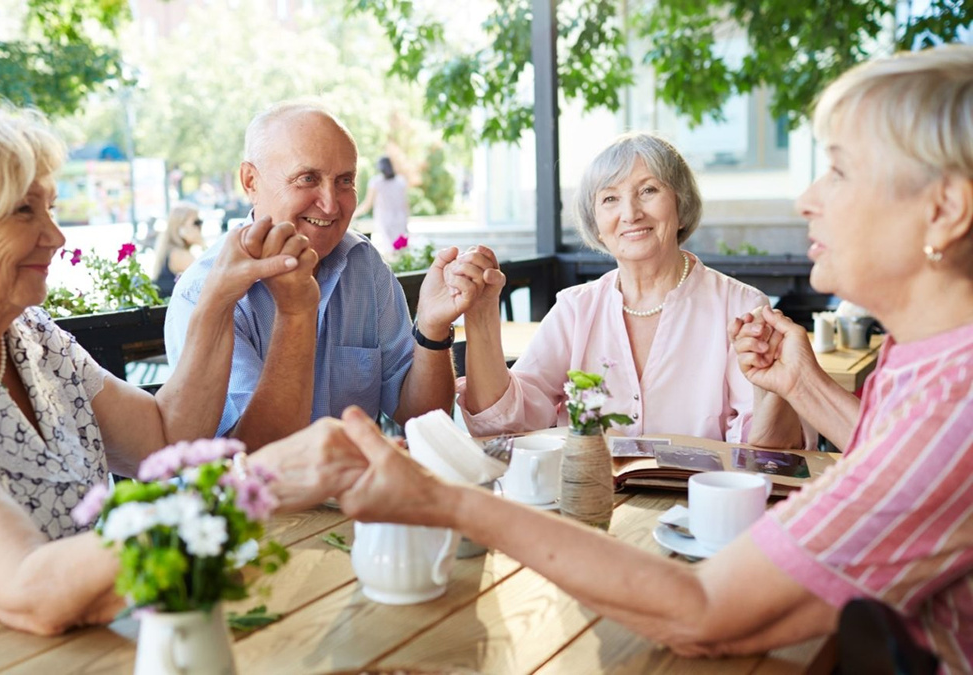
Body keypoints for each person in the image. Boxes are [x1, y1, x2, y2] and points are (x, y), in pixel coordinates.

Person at [334, 45, 973, 671]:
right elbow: (889, 454)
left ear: (943, 210)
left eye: (839, 170)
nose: (806, 198)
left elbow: (704, 612)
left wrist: (442, 499)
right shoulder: (920, 364)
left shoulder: (952, 404)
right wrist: (803, 384)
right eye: (610, 198)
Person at [0, 98, 368, 657]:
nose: (56, 235)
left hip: (66, 651)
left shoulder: (26, 335)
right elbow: (30, 588)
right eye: (24, 211)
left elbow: (166, 440)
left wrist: (220, 294)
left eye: (48, 207)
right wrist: (253, 482)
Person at [164, 102, 491, 449]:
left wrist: (432, 329)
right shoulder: (204, 293)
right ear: (250, 181)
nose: (331, 204)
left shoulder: (364, 266)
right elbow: (251, 458)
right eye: (307, 178)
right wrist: (296, 312)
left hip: (355, 497)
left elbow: (423, 417)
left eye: (345, 181)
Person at [455, 132, 802, 447]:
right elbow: (506, 424)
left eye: (648, 191)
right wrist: (482, 314)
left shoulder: (741, 306)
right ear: (598, 228)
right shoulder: (576, 309)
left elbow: (767, 451)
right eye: (610, 199)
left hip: (699, 505)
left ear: (680, 207)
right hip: (591, 502)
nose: (630, 213)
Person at [353, 155, 410, 254]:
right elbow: (405, 204)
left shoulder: (376, 182)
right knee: (401, 251)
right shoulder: (400, 181)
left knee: (389, 252)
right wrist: (406, 221)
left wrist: (353, 215)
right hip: (400, 218)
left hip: (384, 219)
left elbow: (367, 205)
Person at [151, 203, 206, 297]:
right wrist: (202, 244)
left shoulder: (170, 250)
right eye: (196, 222)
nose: (200, 227)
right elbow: (210, 277)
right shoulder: (178, 254)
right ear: (181, 228)